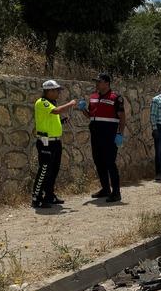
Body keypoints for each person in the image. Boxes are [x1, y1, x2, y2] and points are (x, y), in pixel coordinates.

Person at [32, 80, 76, 208]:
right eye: (57, 91)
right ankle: (36, 198)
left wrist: (62, 122)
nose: (58, 93)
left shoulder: (51, 103)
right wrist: (71, 103)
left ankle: (49, 196)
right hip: (46, 143)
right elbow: (56, 111)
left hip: (55, 142)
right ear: (49, 91)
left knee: (54, 171)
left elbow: (50, 120)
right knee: (44, 170)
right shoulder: (42, 103)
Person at [81, 73, 126, 202]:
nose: (97, 84)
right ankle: (106, 189)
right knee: (98, 162)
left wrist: (120, 134)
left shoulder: (116, 98)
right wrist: (83, 109)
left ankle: (116, 192)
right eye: (96, 82)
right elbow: (90, 116)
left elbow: (122, 117)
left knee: (110, 163)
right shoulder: (93, 97)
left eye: (99, 82)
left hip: (109, 135)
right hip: (95, 135)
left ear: (107, 83)